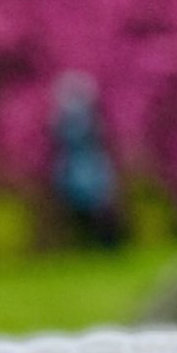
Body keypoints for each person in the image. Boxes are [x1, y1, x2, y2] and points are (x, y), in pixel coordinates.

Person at [49, 70, 127, 247]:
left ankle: (104, 242)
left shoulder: (83, 117)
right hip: (79, 165)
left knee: (98, 205)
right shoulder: (75, 117)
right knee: (88, 205)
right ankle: (90, 242)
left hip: (86, 165)